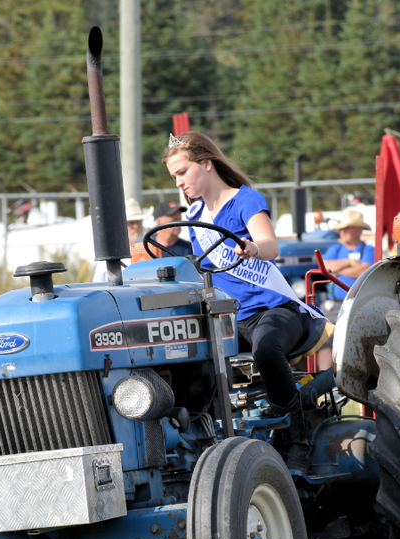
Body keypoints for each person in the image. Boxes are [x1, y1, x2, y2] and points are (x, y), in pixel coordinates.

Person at [162, 131, 328, 471]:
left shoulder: (244, 200)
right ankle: (197, 439)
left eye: (182, 172)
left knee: (266, 349)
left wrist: (253, 247)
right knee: (182, 353)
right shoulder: (194, 218)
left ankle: (297, 440)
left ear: (206, 164)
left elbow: (270, 245)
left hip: (274, 310)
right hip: (229, 319)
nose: (178, 182)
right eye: (173, 177)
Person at [316, 210, 375, 371]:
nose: (342, 232)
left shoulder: (368, 250)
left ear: (358, 230)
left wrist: (337, 269)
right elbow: (325, 268)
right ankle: (325, 377)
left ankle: (353, 377)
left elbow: (364, 270)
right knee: (325, 340)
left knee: (354, 340)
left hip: (356, 304)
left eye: (347, 228)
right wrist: (350, 262)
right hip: (332, 305)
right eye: (341, 229)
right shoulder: (335, 248)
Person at [92, 198, 146, 282]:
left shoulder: (151, 247)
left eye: (138, 222)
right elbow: (98, 283)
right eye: (131, 223)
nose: (136, 226)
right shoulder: (109, 252)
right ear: (121, 225)